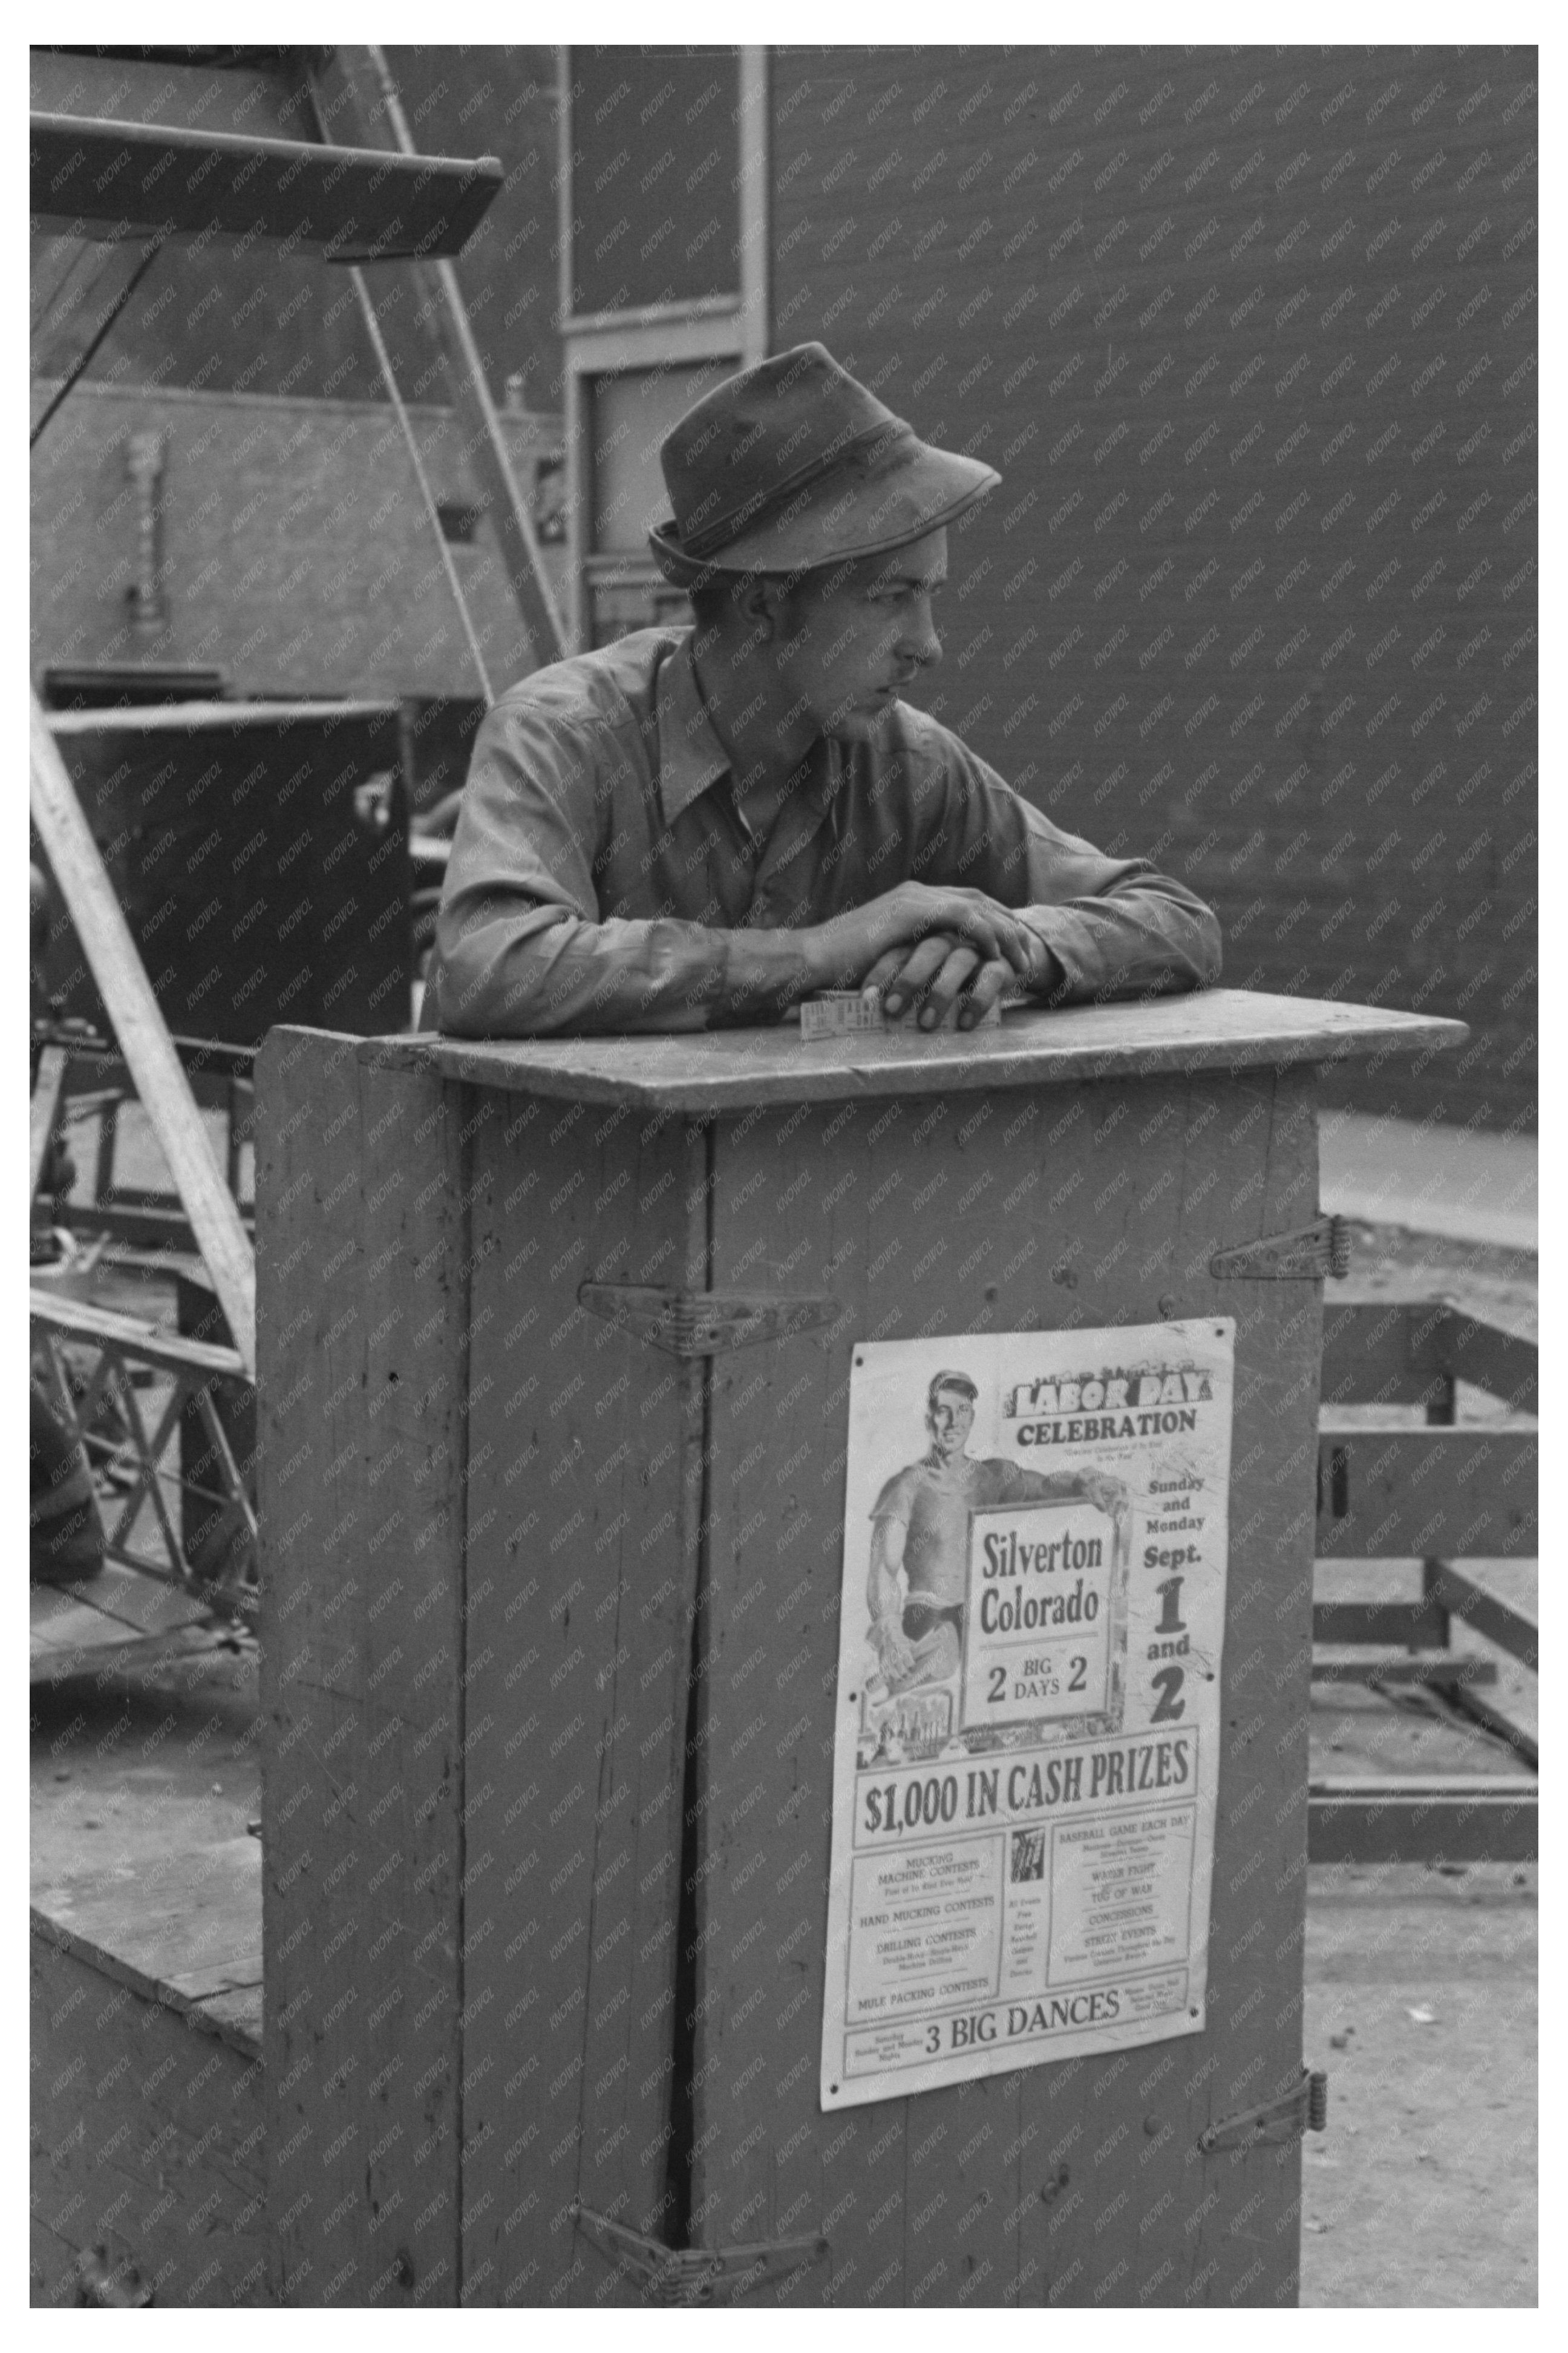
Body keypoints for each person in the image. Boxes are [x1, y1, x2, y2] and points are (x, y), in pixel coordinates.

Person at [423, 342, 1221, 1038]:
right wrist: (818, 952)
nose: (928, 645)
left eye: (930, 594)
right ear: (763, 603)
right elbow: (486, 967)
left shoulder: (910, 766)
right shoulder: (562, 735)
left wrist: (1008, 948)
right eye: (888, 598)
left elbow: (1175, 919)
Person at [867, 1371, 1124, 1689]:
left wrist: (1084, 1482)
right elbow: (883, 1570)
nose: (953, 1422)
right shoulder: (906, 1487)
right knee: (931, 1681)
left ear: (972, 1418)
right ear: (928, 1419)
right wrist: (891, 1633)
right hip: (929, 1620)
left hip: (986, 1620)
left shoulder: (993, 1476)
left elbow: (1046, 1486)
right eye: (943, 1411)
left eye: (962, 1411)